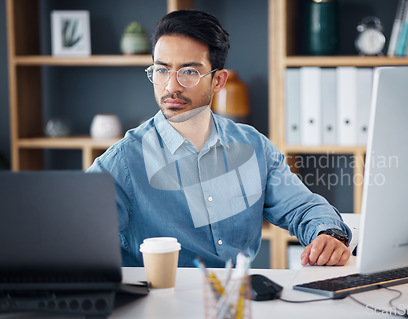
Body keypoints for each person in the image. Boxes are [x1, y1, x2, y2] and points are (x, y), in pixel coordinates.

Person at [87, 10, 351, 268]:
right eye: (162, 70)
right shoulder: (122, 162)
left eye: (189, 72)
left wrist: (328, 235)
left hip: (236, 302)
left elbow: (303, 207)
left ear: (218, 81)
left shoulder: (254, 147)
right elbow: (70, 231)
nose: (171, 86)